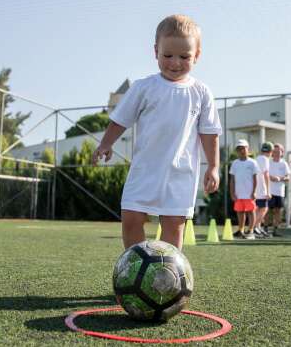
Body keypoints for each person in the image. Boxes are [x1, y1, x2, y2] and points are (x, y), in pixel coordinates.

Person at [92, 14, 221, 249]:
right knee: (131, 218)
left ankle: (166, 275)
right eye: (167, 55)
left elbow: (209, 133)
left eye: (184, 56)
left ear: (197, 55)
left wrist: (213, 166)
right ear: (155, 52)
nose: (175, 62)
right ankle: (134, 268)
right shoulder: (143, 87)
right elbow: (120, 119)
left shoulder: (201, 92)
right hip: (144, 170)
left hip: (180, 173)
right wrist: (105, 144)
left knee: (174, 224)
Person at [229, 139, 260, 240]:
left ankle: (251, 231)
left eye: (243, 148)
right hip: (238, 194)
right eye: (239, 149)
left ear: (248, 149)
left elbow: (255, 179)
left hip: (249, 193)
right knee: (240, 211)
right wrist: (232, 193)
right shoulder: (235, 163)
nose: (242, 150)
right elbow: (232, 180)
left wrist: (254, 191)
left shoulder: (253, 163)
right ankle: (241, 230)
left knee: (251, 211)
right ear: (237, 151)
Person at [268, 143, 291, 237]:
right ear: (272, 152)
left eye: (279, 151)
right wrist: (271, 177)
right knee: (267, 210)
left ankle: (275, 230)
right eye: (275, 151)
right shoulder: (268, 162)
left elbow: (288, 177)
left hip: (280, 192)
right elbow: (264, 174)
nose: (277, 153)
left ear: (282, 153)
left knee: (278, 211)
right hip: (269, 191)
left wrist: (280, 178)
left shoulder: (284, 163)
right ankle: (265, 228)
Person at [254, 142, 273, 238]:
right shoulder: (265, 159)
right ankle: (253, 227)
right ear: (270, 151)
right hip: (262, 188)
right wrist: (268, 191)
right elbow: (266, 175)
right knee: (264, 208)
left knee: (258, 209)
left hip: (255, 188)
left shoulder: (257, 158)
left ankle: (257, 228)